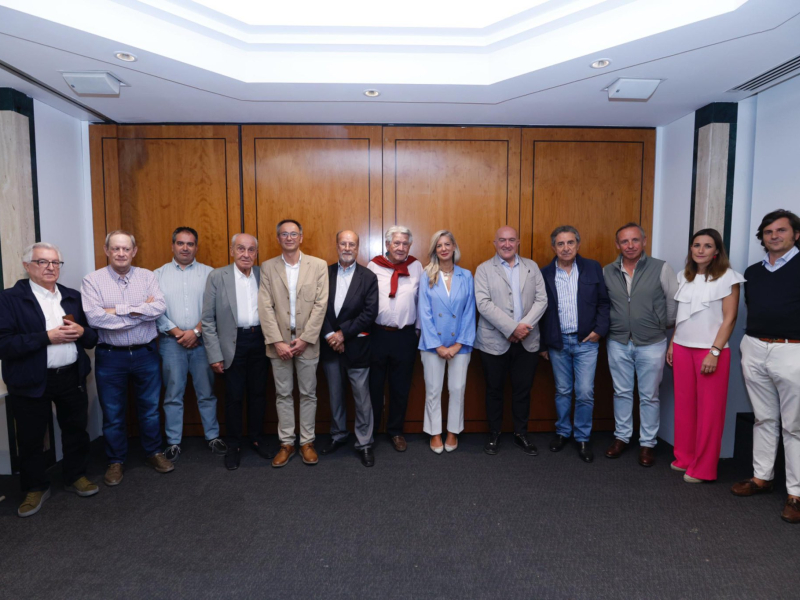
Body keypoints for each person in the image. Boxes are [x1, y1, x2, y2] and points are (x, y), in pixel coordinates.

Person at [0, 243, 99, 517]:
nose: (50, 267)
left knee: (76, 429)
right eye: (42, 262)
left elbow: (93, 338)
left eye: (55, 263)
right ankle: (35, 488)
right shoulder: (9, 299)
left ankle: (75, 476)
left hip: (70, 376)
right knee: (31, 438)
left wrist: (82, 332)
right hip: (30, 380)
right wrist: (46, 338)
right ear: (27, 266)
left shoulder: (72, 296)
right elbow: (4, 344)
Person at [81, 230, 173, 485]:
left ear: (134, 251)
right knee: (113, 412)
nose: (121, 253)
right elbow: (95, 318)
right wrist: (139, 312)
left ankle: (153, 452)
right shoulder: (93, 280)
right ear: (106, 250)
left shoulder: (147, 277)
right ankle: (115, 461)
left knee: (150, 410)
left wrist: (117, 312)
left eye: (126, 249)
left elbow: (158, 308)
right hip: (111, 357)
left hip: (146, 354)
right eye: (116, 248)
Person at [731, 209, 800, 524]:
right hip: (755, 347)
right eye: (769, 232)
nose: (774, 236)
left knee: (794, 426)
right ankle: (761, 478)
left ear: (795, 234)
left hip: (793, 351)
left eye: (781, 230)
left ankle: (795, 494)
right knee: (764, 418)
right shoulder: (753, 272)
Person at [666, 229, 743, 483]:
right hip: (682, 346)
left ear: (717, 251)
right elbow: (682, 316)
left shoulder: (729, 277)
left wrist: (715, 352)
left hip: (711, 351)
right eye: (696, 245)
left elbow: (730, 318)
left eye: (707, 246)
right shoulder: (683, 276)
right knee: (685, 407)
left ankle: (704, 468)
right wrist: (672, 344)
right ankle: (685, 457)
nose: (700, 250)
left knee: (710, 412)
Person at [603, 223, 678, 467]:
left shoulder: (661, 267)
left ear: (644, 241)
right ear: (618, 245)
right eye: (624, 241)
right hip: (618, 341)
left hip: (652, 342)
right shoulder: (607, 271)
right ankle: (622, 437)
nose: (630, 245)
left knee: (649, 396)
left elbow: (672, 302)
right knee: (622, 392)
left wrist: (661, 325)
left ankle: (648, 443)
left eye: (635, 240)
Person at [259, 220, 328, 468]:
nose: (289, 238)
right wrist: (277, 341)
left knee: (309, 393)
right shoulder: (267, 267)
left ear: (301, 237)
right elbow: (265, 307)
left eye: (293, 234)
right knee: (283, 393)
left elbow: (321, 305)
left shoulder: (318, 266)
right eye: (284, 234)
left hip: (308, 342)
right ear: (278, 238)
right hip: (278, 343)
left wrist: (306, 338)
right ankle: (287, 442)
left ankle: (307, 442)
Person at [155, 227, 226, 462]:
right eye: (180, 243)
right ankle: (174, 442)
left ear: (196, 247)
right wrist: (178, 333)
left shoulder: (210, 274)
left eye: (190, 244)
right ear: (172, 245)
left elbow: (216, 309)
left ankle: (212, 437)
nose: (185, 248)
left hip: (203, 342)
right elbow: (154, 311)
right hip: (170, 343)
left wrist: (195, 331)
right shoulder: (156, 275)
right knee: (173, 394)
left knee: (206, 392)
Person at [474, 226, 547, 456]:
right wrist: (512, 328)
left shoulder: (531, 267)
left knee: (523, 390)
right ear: (494, 243)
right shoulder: (484, 269)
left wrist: (523, 327)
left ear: (518, 243)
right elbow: (483, 304)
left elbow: (542, 300)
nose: (507, 244)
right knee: (494, 389)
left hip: (527, 341)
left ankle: (520, 434)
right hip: (494, 341)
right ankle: (494, 433)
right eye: (502, 240)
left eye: (511, 240)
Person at [539, 226, 609, 463]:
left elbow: (603, 303)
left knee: (585, 392)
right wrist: (543, 345)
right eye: (560, 244)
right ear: (553, 247)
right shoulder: (545, 273)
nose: (566, 248)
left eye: (570, 243)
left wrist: (599, 331)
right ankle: (562, 432)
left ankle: (582, 437)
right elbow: (540, 311)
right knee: (563, 391)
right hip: (557, 342)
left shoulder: (592, 268)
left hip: (585, 342)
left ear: (578, 245)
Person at [202, 233, 271, 470]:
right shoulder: (217, 276)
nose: (246, 254)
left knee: (259, 394)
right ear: (232, 251)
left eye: (251, 250)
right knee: (233, 397)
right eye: (241, 249)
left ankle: (255, 437)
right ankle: (233, 444)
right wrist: (214, 354)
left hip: (260, 340)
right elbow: (208, 320)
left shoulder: (264, 274)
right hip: (231, 343)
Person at [319, 230, 379, 467]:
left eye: (351, 244)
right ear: (336, 245)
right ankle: (338, 435)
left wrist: (343, 333)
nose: (346, 248)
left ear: (358, 247)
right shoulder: (324, 273)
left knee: (362, 398)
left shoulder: (368, 277)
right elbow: (317, 308)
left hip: (357, 346)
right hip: (329, 345)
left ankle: (364, 443)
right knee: (335, 395)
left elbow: (370, 312)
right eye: (343, 243)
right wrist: (330, 335)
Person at [417, 230, 476, 454]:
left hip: (460, 344)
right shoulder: (426, 275)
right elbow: (424, 312)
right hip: (433, 345)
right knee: (433, 390)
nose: (443, 248)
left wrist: (459, 344)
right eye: (439, 245)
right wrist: (438, 345)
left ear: (454, 247)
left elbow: (470, 311)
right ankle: (434, 432)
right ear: (435, 250)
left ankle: (452, 430)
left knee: (457, 388)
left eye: (447, 244)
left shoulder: (466, 275)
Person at [368, 225, 424, 453]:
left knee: (400, 388)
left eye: (405, 243)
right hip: (377, 335)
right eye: (396, 243)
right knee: (373, 387)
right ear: (387, 245)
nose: (400, 248)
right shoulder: (374, 266)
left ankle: (395, 431)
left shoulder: (416, 266)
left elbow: (423, 301)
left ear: (410, 245)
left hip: (405, 336)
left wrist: (419, 333)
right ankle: (369, 432)